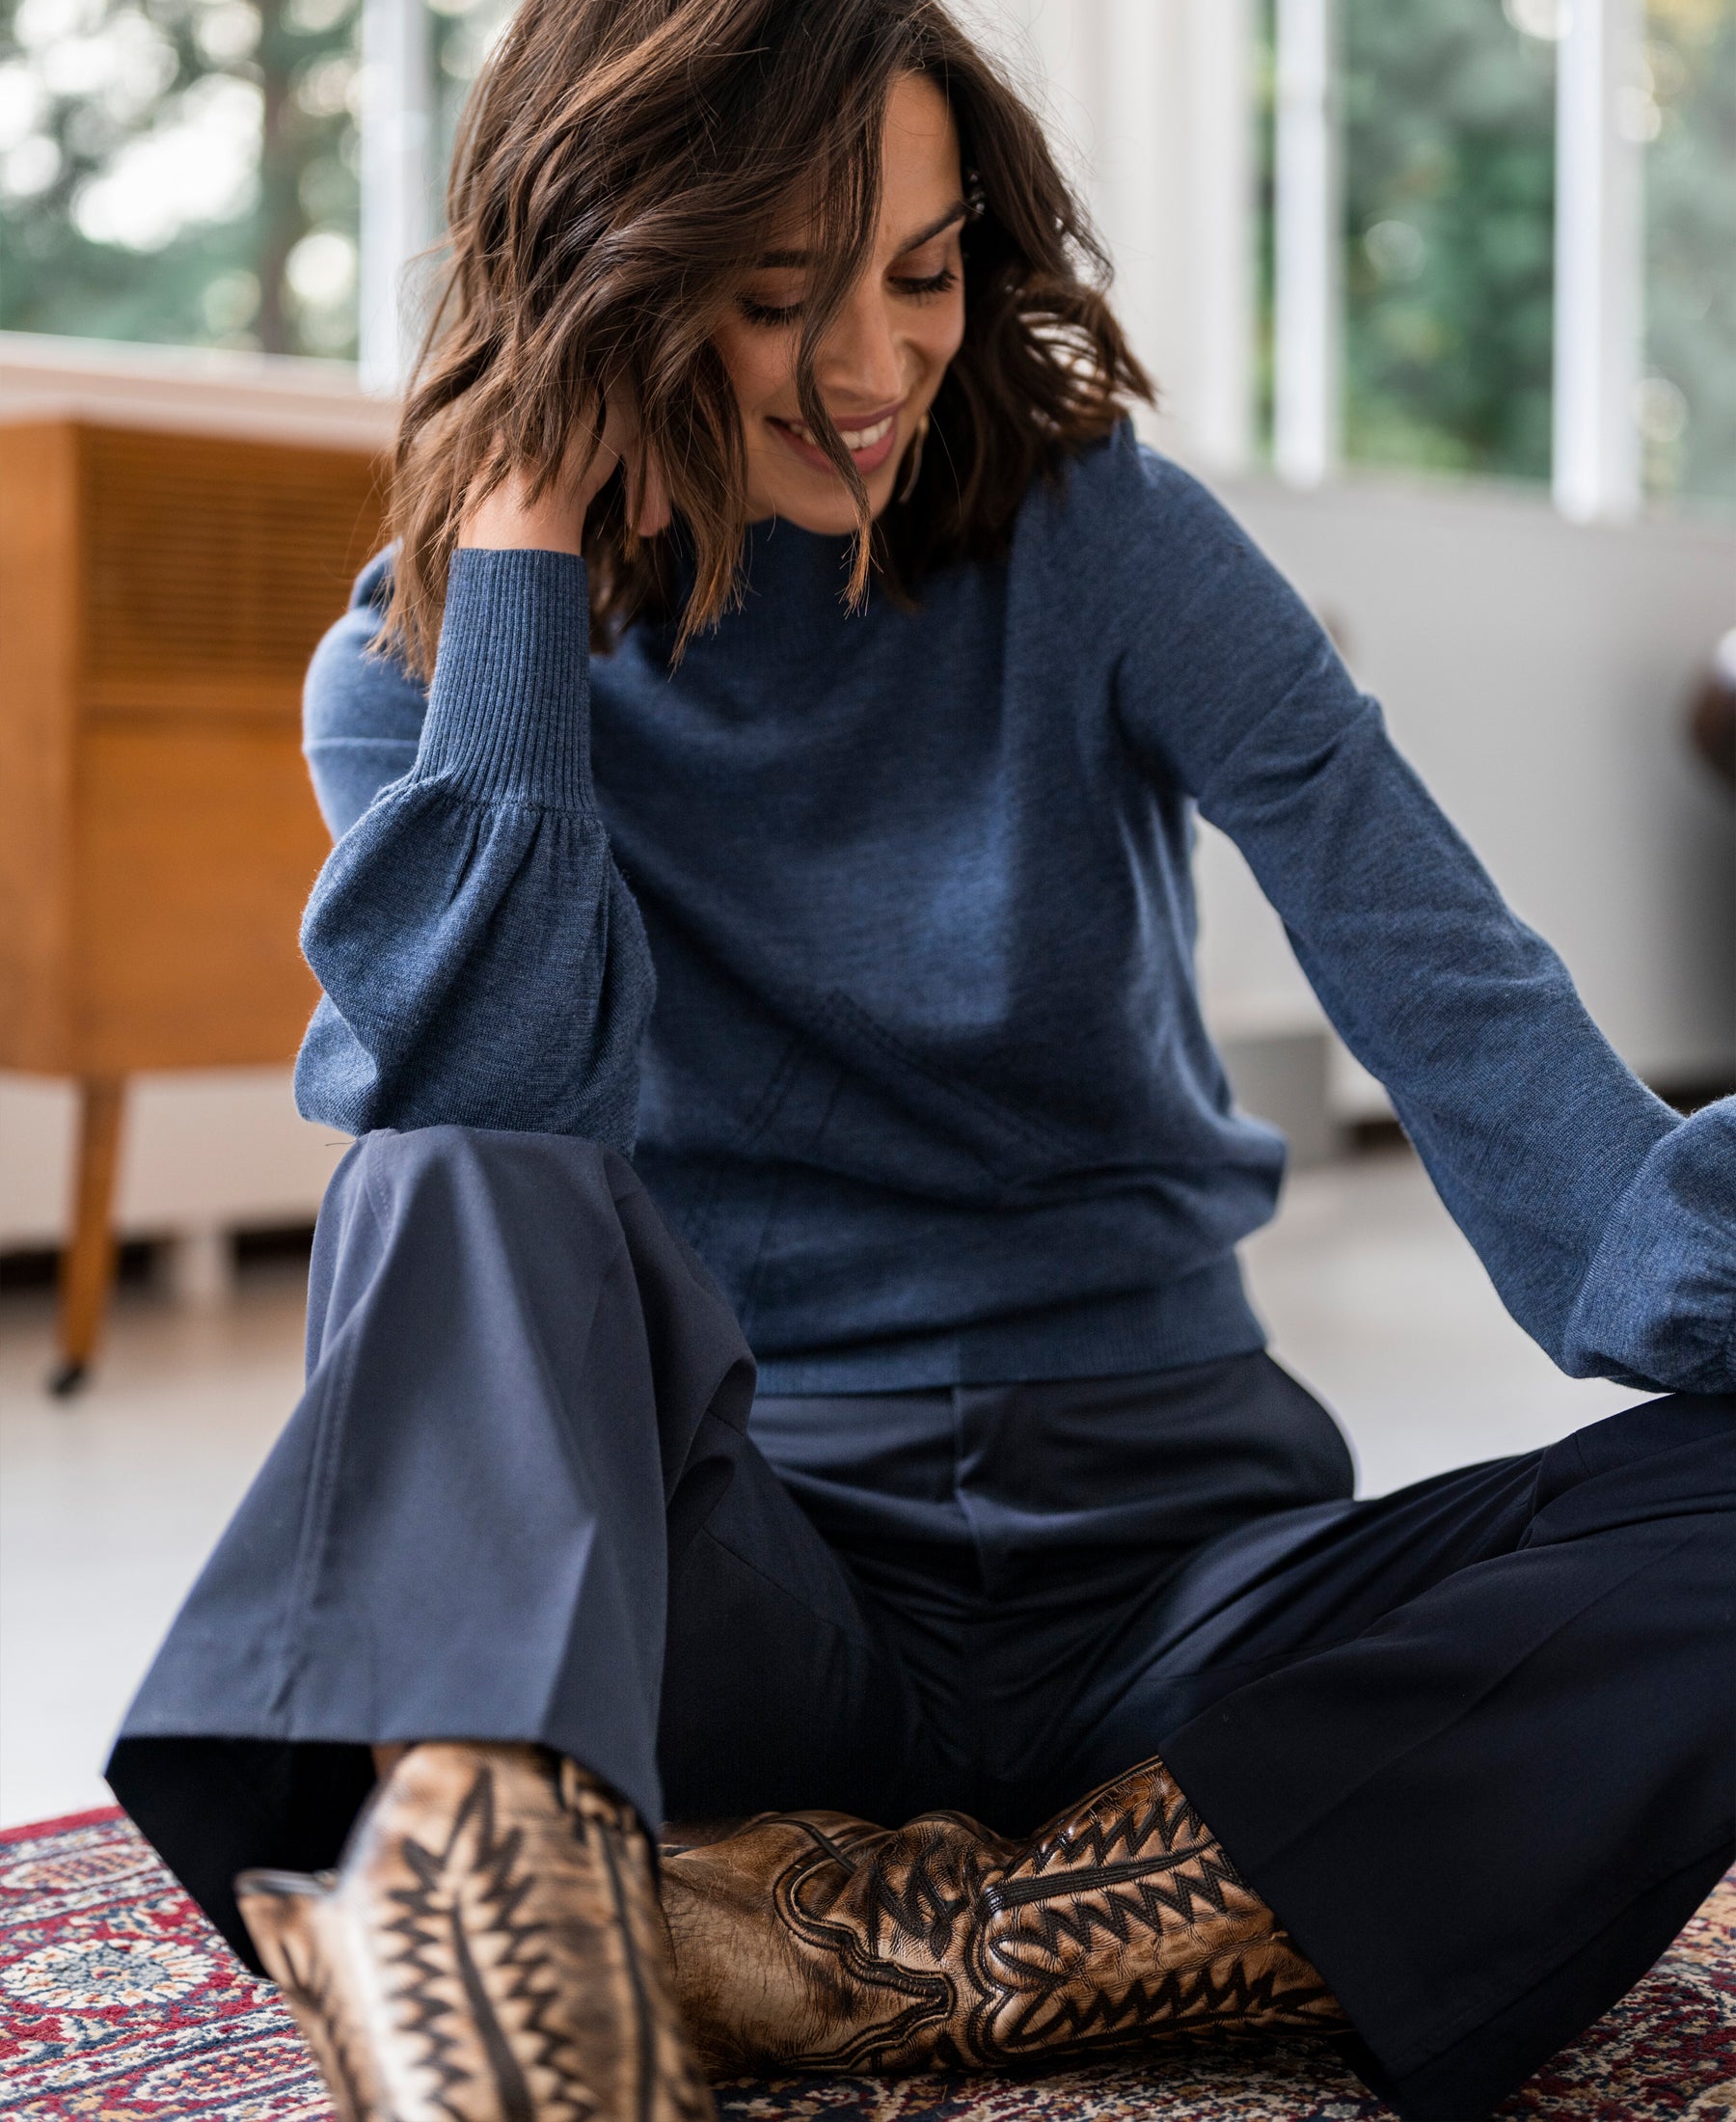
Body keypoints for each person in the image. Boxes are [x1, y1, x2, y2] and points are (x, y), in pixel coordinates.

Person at [106, 3, 1735, 2119]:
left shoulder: (1114, 543)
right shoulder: (421, 670)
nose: (874, 370)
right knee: (440, 1157)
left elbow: (1478, 1021)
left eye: (926, 269)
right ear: (599, 269)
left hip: (1182, 1588)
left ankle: (906, 1948)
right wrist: (514, 544)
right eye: (778, 294)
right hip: (751, 1596)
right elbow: (500, 1149)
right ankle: (526, 1988)